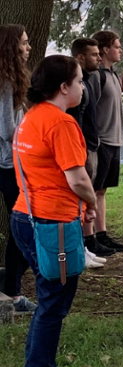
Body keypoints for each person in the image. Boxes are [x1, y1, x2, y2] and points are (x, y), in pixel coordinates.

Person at [12, 55, 97, 367]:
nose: (82, 87)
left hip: (25, 215)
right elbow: (77, 178)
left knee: (48, 300)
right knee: (53, 304)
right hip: (52, 223)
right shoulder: (61, 123)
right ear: (64, 87)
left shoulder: (31, 118)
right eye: (79, 81)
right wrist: (90, 203)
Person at [0, 24, 38, 312]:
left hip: (8, 164)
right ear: (11, 47)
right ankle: (12, 292)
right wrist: (34, 130)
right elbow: (7, 130)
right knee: (23, 225)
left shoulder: (11, 79)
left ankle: (10, 284)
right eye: (24, 44)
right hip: (7, 165)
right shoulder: (6, 82)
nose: (28, 48)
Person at [67, 38, 107, 269]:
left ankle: (85, 246)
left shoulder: (90, 79)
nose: (99, 58)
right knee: (78, 200)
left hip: (90, 145)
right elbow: (76, 118)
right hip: (80, 148)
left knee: (83, 200)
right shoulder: (74, 82)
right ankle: (80, 248)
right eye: (94, 54)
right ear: (80, 57)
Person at [87, 30, 123, 256]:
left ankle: (102, 234)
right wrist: (94, 141)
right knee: (93, 190)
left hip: (115, 141)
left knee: (102, 191)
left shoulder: (112, 75)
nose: (120, 50)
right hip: (101, 141)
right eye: (117, 46)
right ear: (105, 50)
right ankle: (89, 237)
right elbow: (89, 109)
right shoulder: (97, 76)